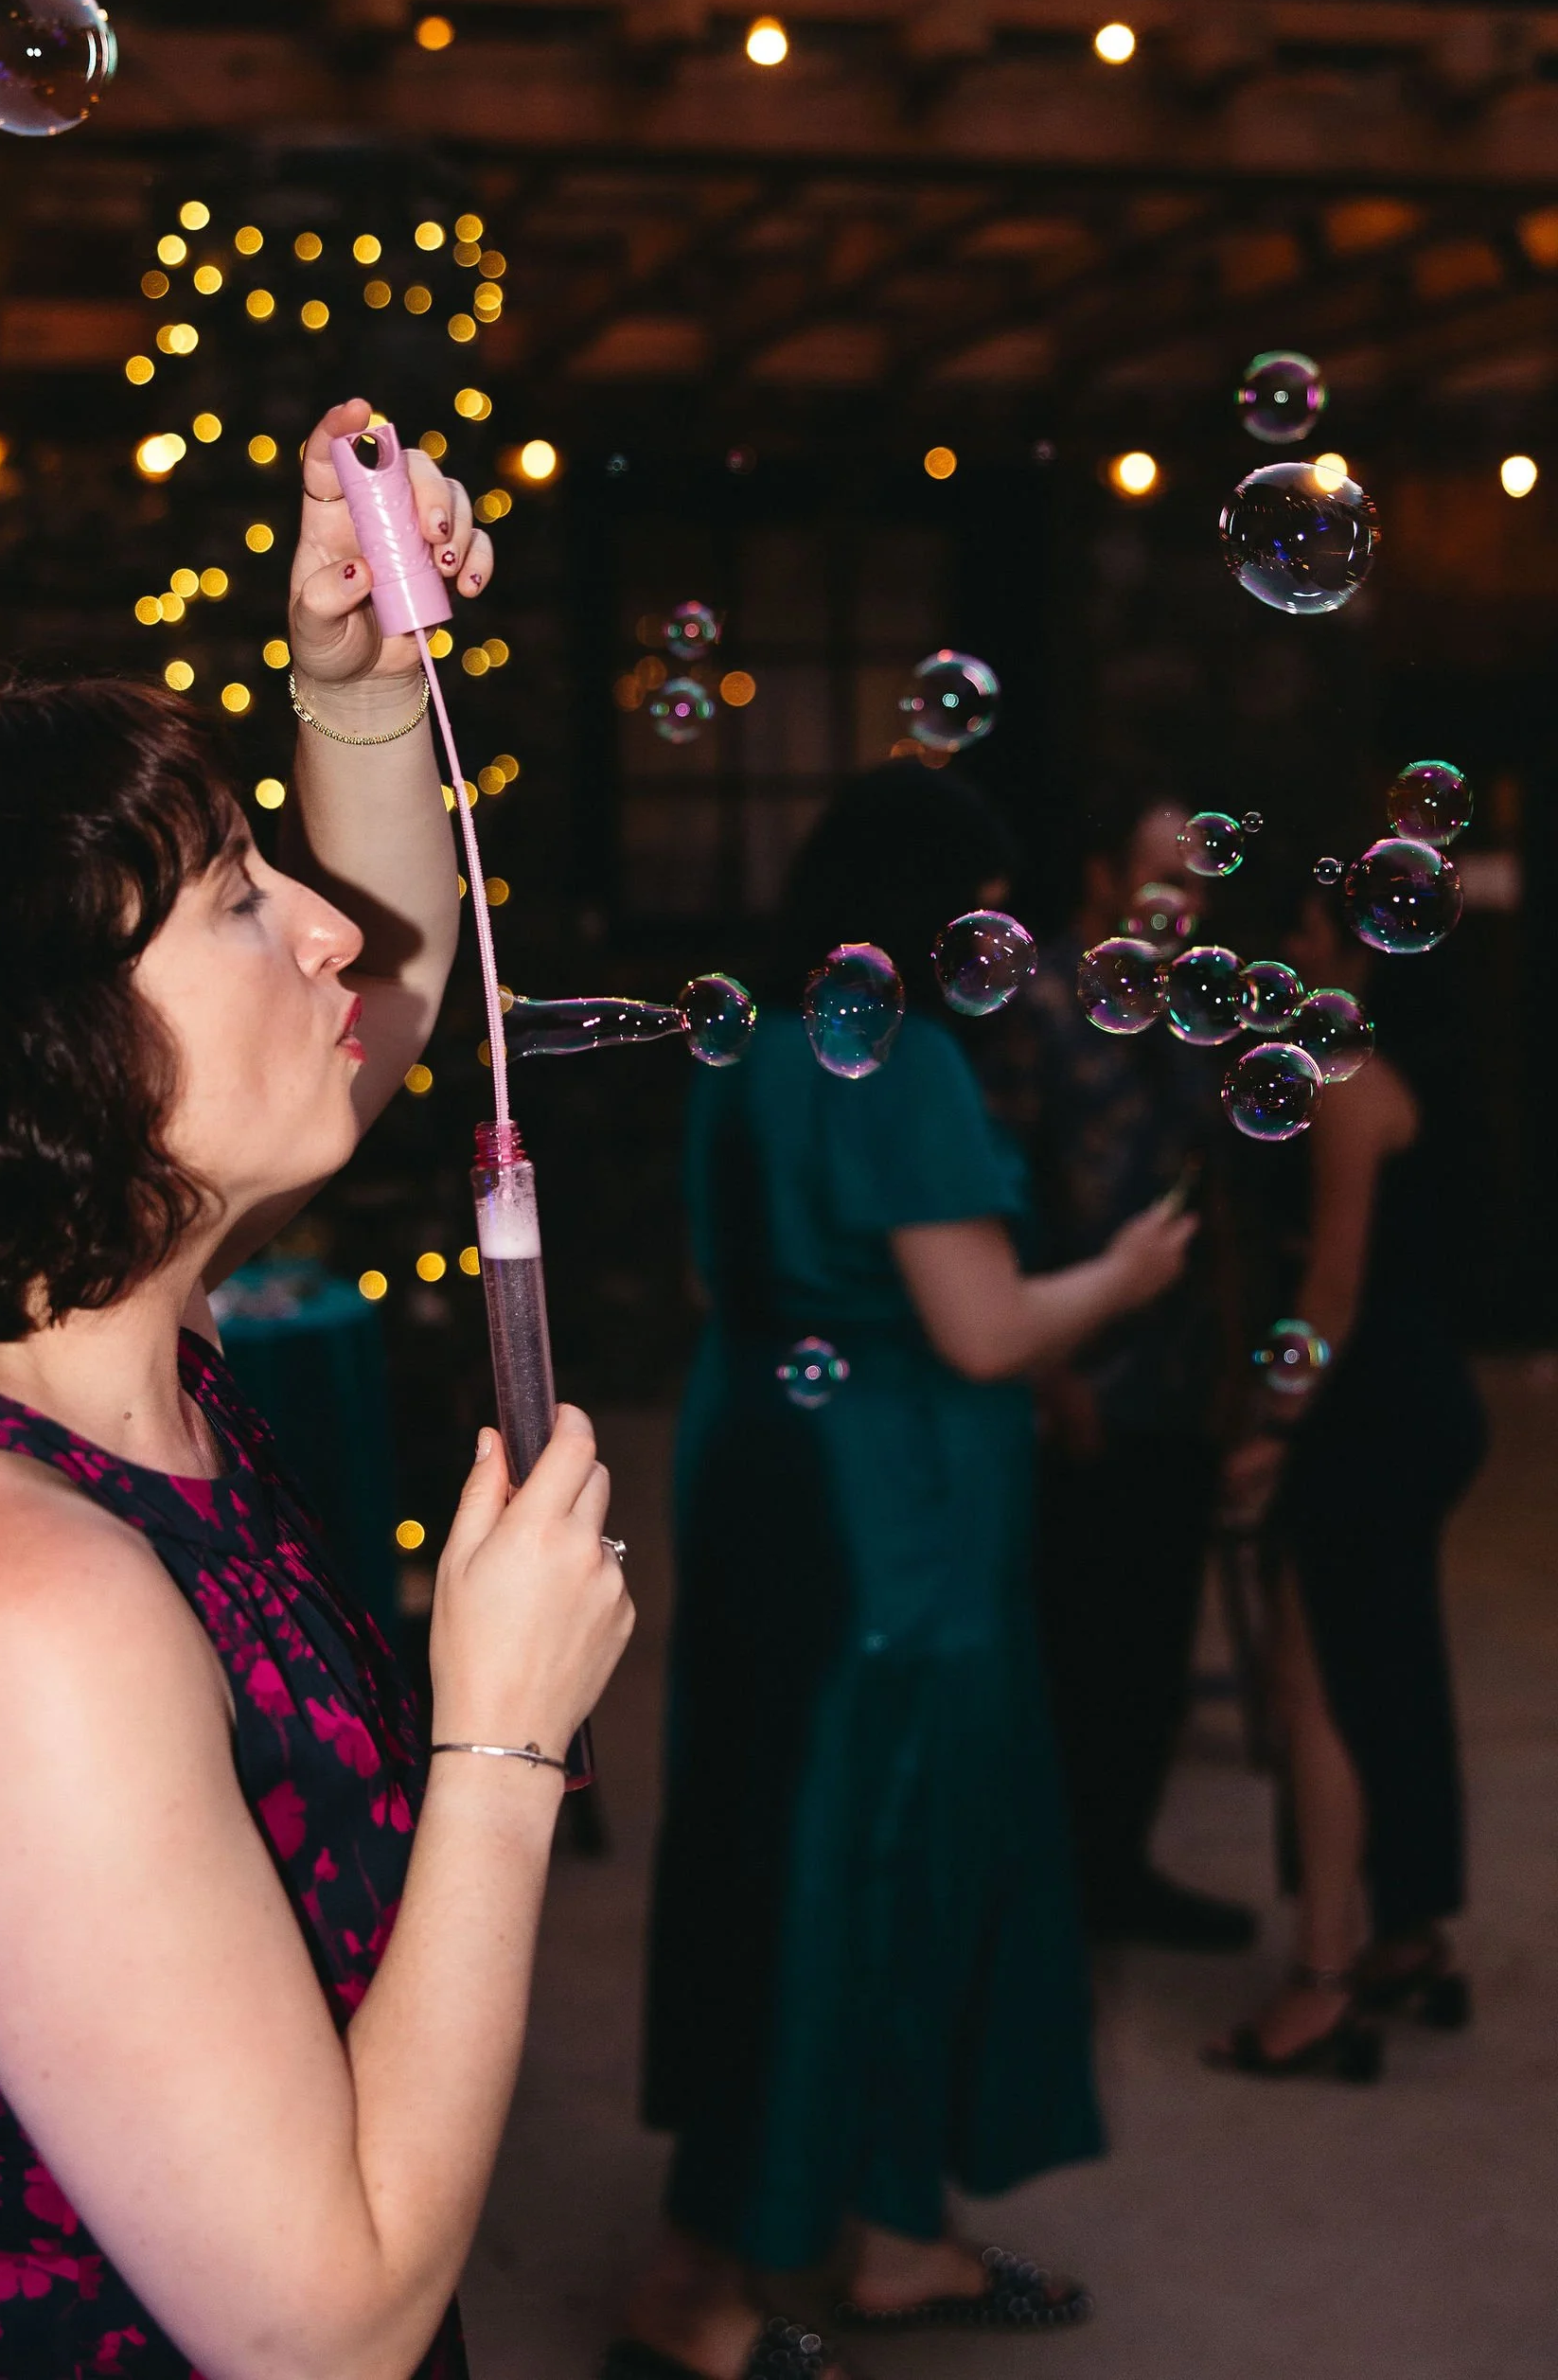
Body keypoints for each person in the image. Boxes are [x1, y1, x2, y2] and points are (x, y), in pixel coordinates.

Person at [0, 404, 632, 2378]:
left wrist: (352, 690)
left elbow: (392, 977)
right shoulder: (0, 1598)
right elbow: (324, 2325)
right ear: (40, 1061)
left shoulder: (99, 1342)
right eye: (228, 899)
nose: (317, 925)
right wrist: (507, 1738)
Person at [615, 761, 1194, 2380]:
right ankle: (716, 2273)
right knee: (869, 1859)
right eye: (987, 900)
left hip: (756, 1471)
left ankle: (883, 2229)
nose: (1005, 928)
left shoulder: (753, 1048)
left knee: (768, 1824)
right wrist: (1125, 1270)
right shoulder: (909, 1067)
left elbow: (706, 1266)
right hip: (895, 1521)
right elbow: (982, 1324)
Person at [1207, 886, 1487, 2081]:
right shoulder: (1408, 1070)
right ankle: (1407, 1932)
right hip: (1421, 1393)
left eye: (1303, 934)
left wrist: (1273, 1424)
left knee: (1310, 1677)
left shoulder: (1340, 1087)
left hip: (1366, 1404)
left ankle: (1321, 1982)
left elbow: (1328, 1286)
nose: (1284, 951)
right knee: (1393, 1661)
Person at [981, 790, 1254, 1952]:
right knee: (1065, 1640)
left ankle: (1119, 1873)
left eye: (1196, 882)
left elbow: (1227, 1186)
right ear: (1099, 876)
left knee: (1149, 1643)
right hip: (1068, 1362)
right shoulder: (1039, 1001)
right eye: (1160, 877)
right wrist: (1047, 1375)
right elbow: (1002, 1191)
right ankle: (1049, 1894)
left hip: (1183, 1371)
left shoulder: (1209, 1003)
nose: (1183, 903)